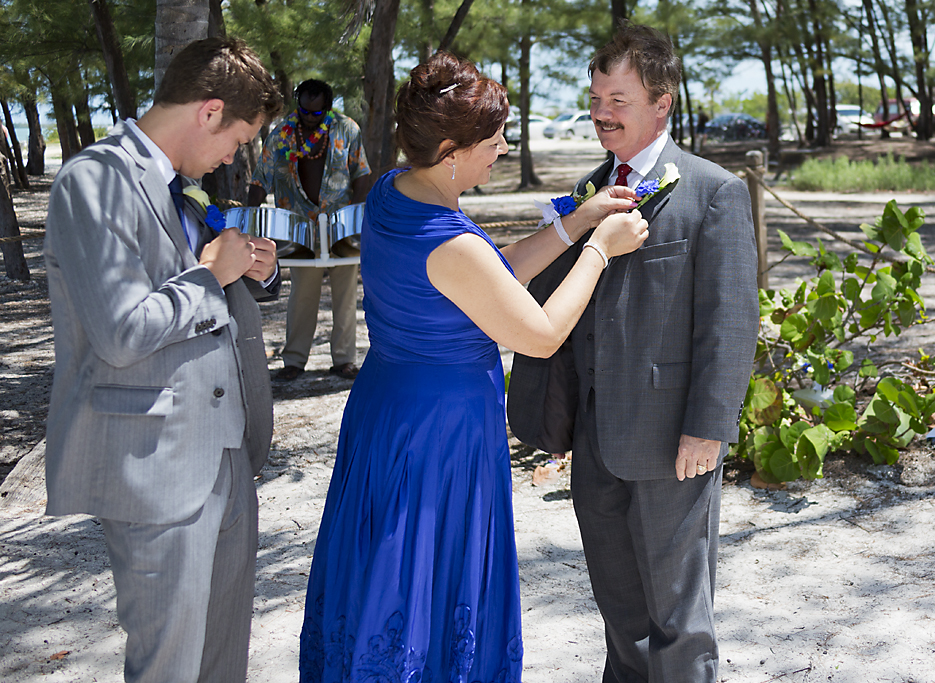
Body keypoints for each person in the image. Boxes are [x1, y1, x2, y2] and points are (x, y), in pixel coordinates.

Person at [298, 51, 648, 682]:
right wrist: (598, 250)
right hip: (440, 432)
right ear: (453, 149)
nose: (504, 149)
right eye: (494, 141)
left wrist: (571, 225)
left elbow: (488, 278)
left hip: (387, 410)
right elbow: (538, 334)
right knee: (424, 570)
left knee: (386, 566)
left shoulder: (389, 191)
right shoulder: (448, 238)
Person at [507, 24, 759, 683]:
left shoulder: (714, 192)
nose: (600, 113)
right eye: (595, 98)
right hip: (595, 443)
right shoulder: (586, 192)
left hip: (672, 442)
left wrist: (709, 425)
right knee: (621, 619)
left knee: (678, 621)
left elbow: (730, 321)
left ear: (662, 102)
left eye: (618, 99)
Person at [42, 37, 283, 683]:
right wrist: (209, 277)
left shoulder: (183, 188)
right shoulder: (93, 179)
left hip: (226, 454)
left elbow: (201, 283)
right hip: (156, 467)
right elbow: (121, 330)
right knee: (169, 668)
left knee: (220, 658)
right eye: (237, 139)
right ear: (209, 111)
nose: (234, 154)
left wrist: (252, 268)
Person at [248, 79, 371, 381]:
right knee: (302, 294)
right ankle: (294, 360)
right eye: (304, 110)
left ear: (327, 109)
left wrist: (359, 218)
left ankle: (344, 359)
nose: (309, 117)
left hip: (340, 224)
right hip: (299, 226)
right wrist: (249, 219)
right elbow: (260, 179)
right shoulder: (280, 134)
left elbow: (362, 174)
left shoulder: (346, 129)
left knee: (345, 293)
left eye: (317, 113)